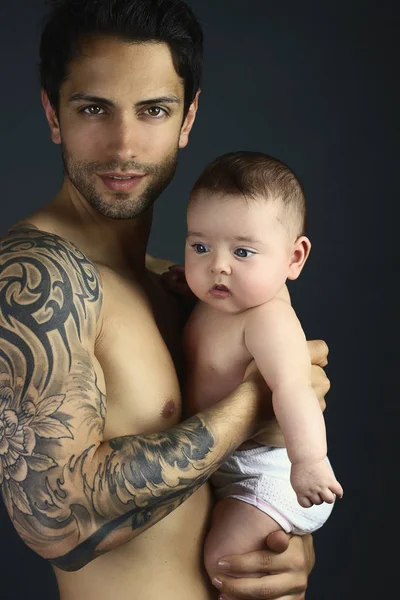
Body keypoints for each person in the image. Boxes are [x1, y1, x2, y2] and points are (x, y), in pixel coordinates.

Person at [0, 1, 330, 599]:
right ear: (53, 115)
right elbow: (57, 523)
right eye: (93, 108)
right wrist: (254, 402)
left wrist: (287, 543)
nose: (124, 144)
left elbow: (213, 496)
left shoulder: (183, 287)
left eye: (153, 110)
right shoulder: (40, 279)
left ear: (187, 118)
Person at [178, 150, 343, 581]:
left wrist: (309, 461)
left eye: (244, 252)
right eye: (200, 246)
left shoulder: (267, 317)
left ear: (294, 258)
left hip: (271, 473)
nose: (218, 265)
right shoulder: (215, 296)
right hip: (226, 465)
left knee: (225, 561)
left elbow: (293, 388)